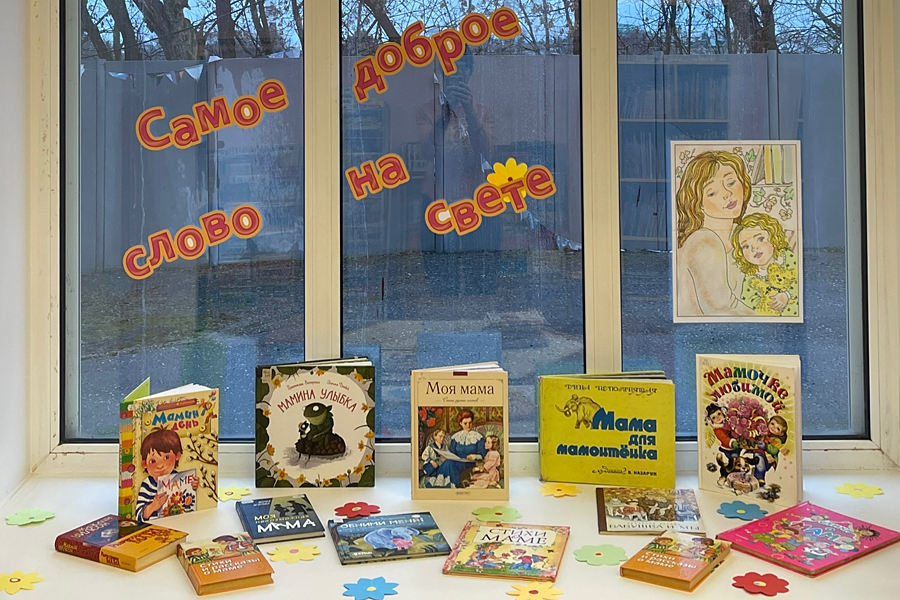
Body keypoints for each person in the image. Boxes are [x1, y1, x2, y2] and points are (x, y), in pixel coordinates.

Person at [675, 151, 755, 317]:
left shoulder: (741, 235)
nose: (727, 194)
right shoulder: (704, 242)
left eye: (731, 182)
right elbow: (721, 309)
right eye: (712, 192)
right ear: (698, 203)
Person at [731, 213, 799, 317]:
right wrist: (765, 303)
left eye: (760, 239)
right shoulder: (751, 276)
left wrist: (787, 295)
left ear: (773, 237)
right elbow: (748, 299)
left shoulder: (788, 257)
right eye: (746, 246)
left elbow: (799, 280)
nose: (754, 248)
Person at [135, 428, 195, 522]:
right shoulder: (147, 485)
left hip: (178, 522)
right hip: (156, 525)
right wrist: (153, 506)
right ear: (144, 464)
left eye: (166, 457)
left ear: (177, 456)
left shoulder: (180, 478)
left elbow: (188, 500)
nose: (160, 466)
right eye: (153, 461)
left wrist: (194, 486)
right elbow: (139, 516)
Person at [447, 409, 485, 487]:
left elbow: (483, 454)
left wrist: (475, 456)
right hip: (457, 464)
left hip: (470, 464)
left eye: (470, 423)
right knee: (449, 463)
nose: (468, 425)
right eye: (465, 423)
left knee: (449, 464)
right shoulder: (456, 437)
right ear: (460, 423)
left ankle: (455, 484)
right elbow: (451, 453)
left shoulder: (478, 437)